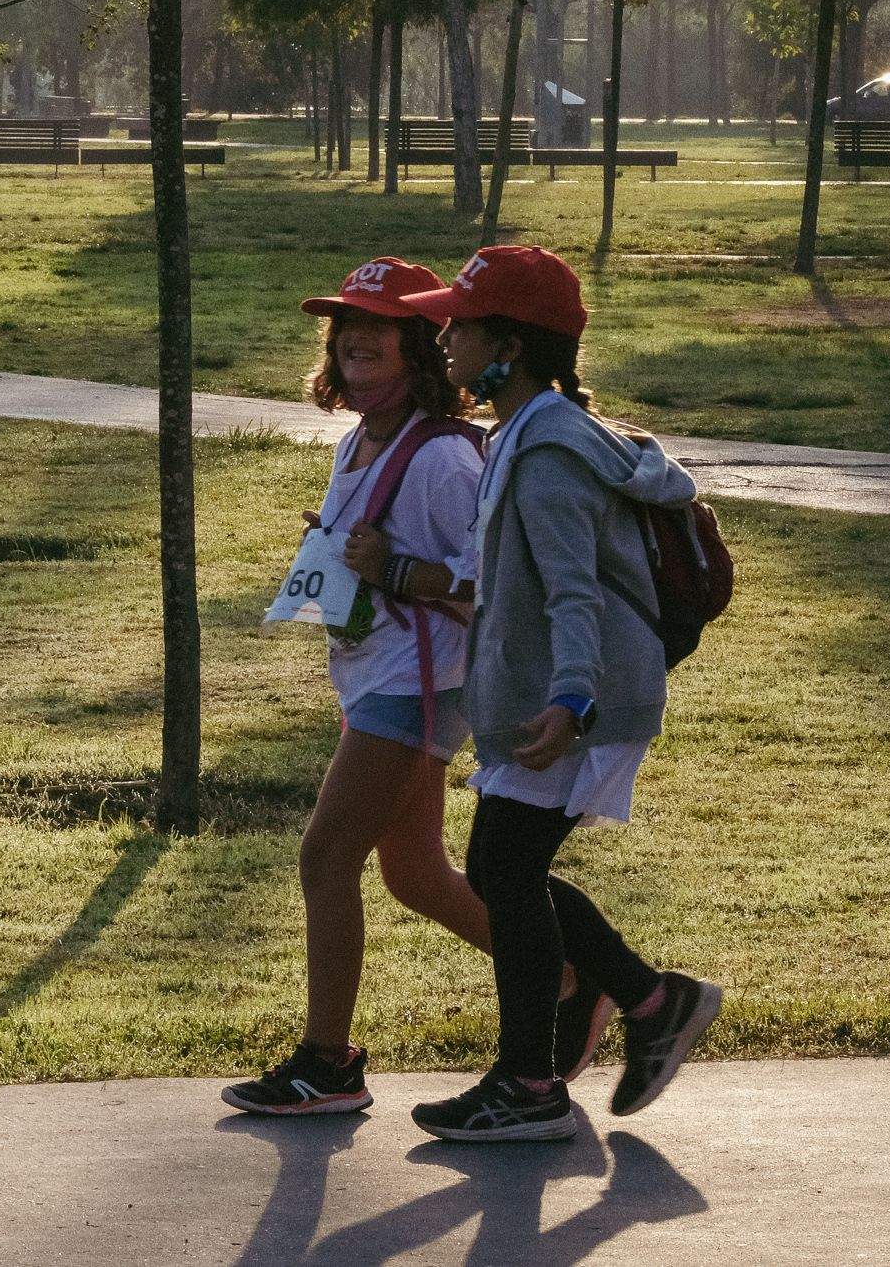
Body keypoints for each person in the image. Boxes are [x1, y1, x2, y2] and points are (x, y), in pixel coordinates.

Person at [222, 259, 606, 1119]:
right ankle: (573, 982)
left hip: (419, 682)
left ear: (422, 359)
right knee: (417, 872)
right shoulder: (366, 441)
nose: (353, 371)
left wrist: (395, 569)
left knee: (326, 855)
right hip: (378, 673)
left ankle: (330, 1062)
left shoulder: (440, 457)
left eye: (373, 353)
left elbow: (493, 588)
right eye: (344, 352)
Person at [394, 246, 723, 1142]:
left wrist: (571, 701)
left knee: (503, 867)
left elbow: (576, 592)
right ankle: (647, 1003)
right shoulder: (526, 432)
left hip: (579, 700)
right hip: (561, 695)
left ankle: (534, 1082)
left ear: (512, 342)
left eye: (461, 323)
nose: (445, 335)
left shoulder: (545, 452)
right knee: (508, 869)